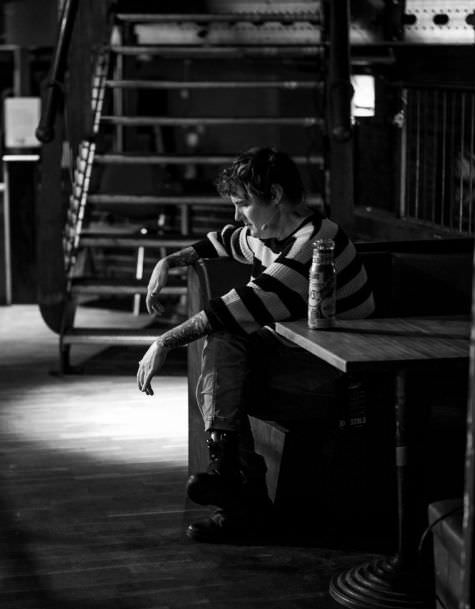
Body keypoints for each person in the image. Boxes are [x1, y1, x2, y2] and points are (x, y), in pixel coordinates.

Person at [136, 146, 375, 543]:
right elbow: (224, 240)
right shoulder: (268, 233)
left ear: (276, 196)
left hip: (334, 373)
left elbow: (235, 307)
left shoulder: (315, 246)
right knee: (225, 356)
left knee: (226, 359)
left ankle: (238, 496)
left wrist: (164, 341)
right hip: (296, 357)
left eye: (244, 204)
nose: (237, 216)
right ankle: (232, 485)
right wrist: (170, 261)